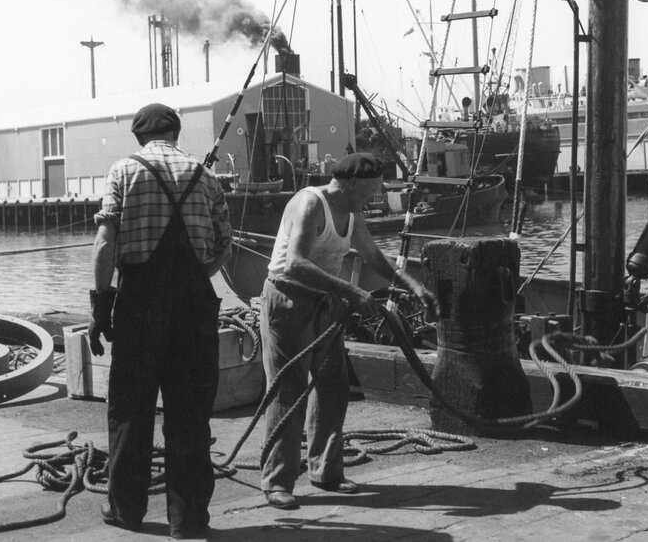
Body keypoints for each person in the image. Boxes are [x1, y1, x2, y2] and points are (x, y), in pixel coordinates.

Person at [259, 152, 438, 510]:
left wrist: (415, 287)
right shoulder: (311, 204)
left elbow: (374, 257)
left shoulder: (352, 214)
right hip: (288, 301)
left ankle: (326, 470)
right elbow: (295, 264)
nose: (374, 197)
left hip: (325, 303)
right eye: (372, 190)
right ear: (354, 183)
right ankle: (277, 481)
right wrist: (352, 292)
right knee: (288, 390)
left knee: (333, 386)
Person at [89, 102, 232, 540]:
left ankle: (126, 510)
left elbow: (105, 241)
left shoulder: (122, 172)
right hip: (194, 305)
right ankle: (187, 520)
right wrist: (193, 275)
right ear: (176, 133)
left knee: (131, 406)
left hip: (140, 301)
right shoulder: (205, 177)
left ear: (138, 137)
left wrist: (101, 305)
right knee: (189, 412)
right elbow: (224, 248)